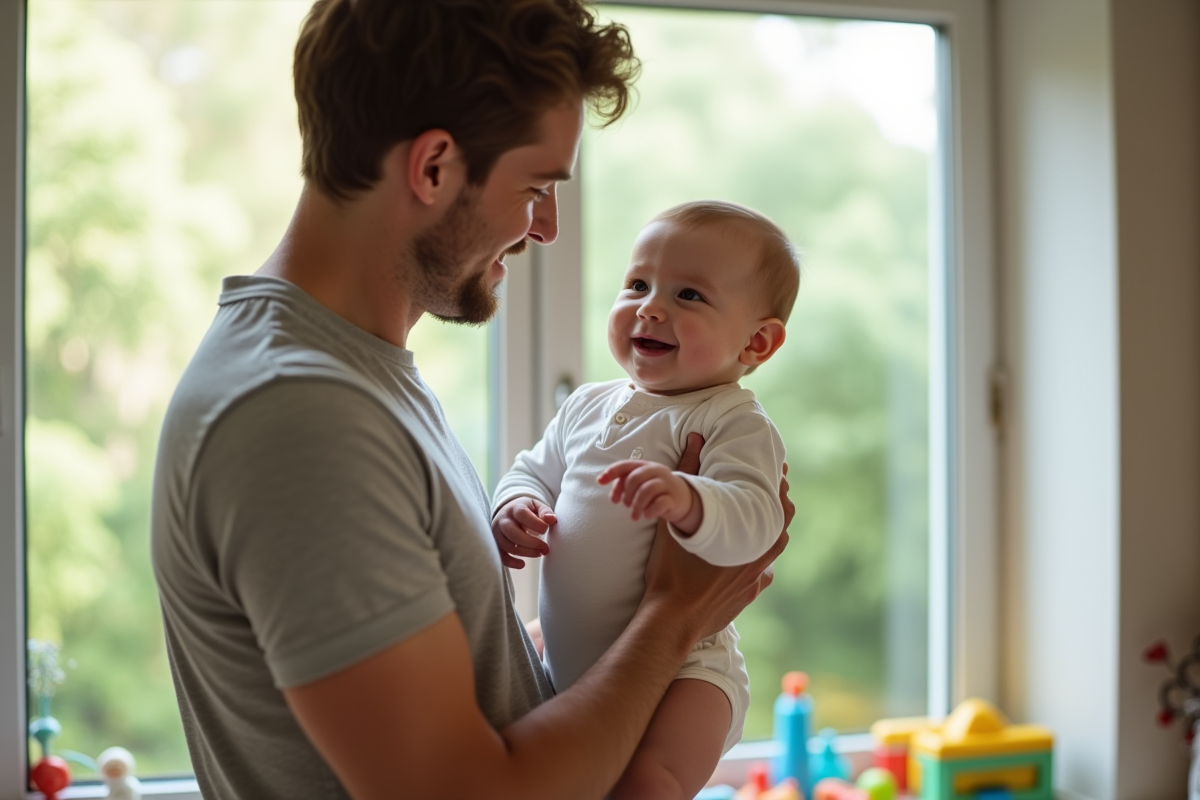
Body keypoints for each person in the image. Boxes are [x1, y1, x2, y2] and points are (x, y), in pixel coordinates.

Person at [150, 1, 790, 799]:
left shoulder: (358, 378)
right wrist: (674, 616)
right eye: (536, 186)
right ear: (433, 168)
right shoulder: (300, 415)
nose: (548, 228)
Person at [491, 200, 800, 799]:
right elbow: (532, 469)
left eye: (689, 296)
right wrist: (515, 506)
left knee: (646, 782)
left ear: (758, 342)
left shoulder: (731, 420)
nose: (650, 306)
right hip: (571, 666)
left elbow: (759, 521)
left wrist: (693, 500)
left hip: (689, 671)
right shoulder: (587, 405)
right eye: (637, 284)